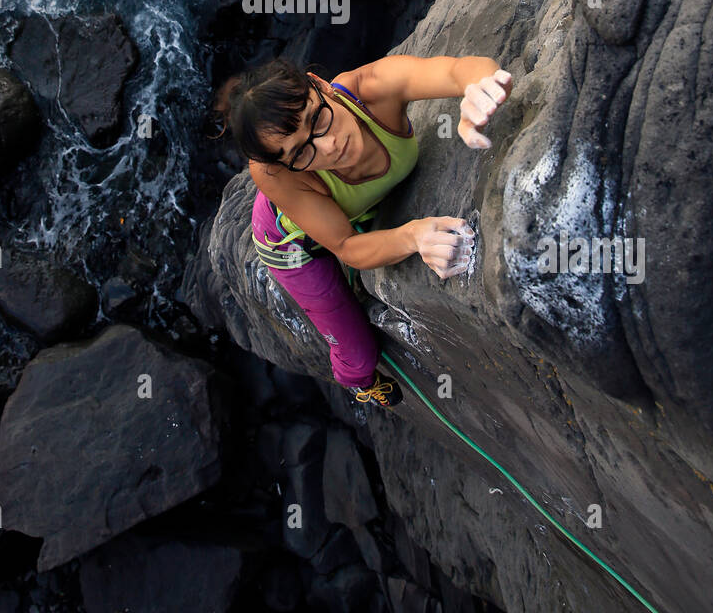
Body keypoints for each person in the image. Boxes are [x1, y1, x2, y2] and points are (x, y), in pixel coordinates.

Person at [215, 53, 513, 408]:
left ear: (322, 85)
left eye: (317, 118)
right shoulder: (275, 173)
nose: (328, 146)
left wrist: (478, 88)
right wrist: (412, 236)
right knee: (358, 353)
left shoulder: (372, 89)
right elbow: (346, 246)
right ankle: (359, 383)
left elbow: (456, 69)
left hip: (346, 212)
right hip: (291, 243)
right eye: (301, 152)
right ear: (285, 164)